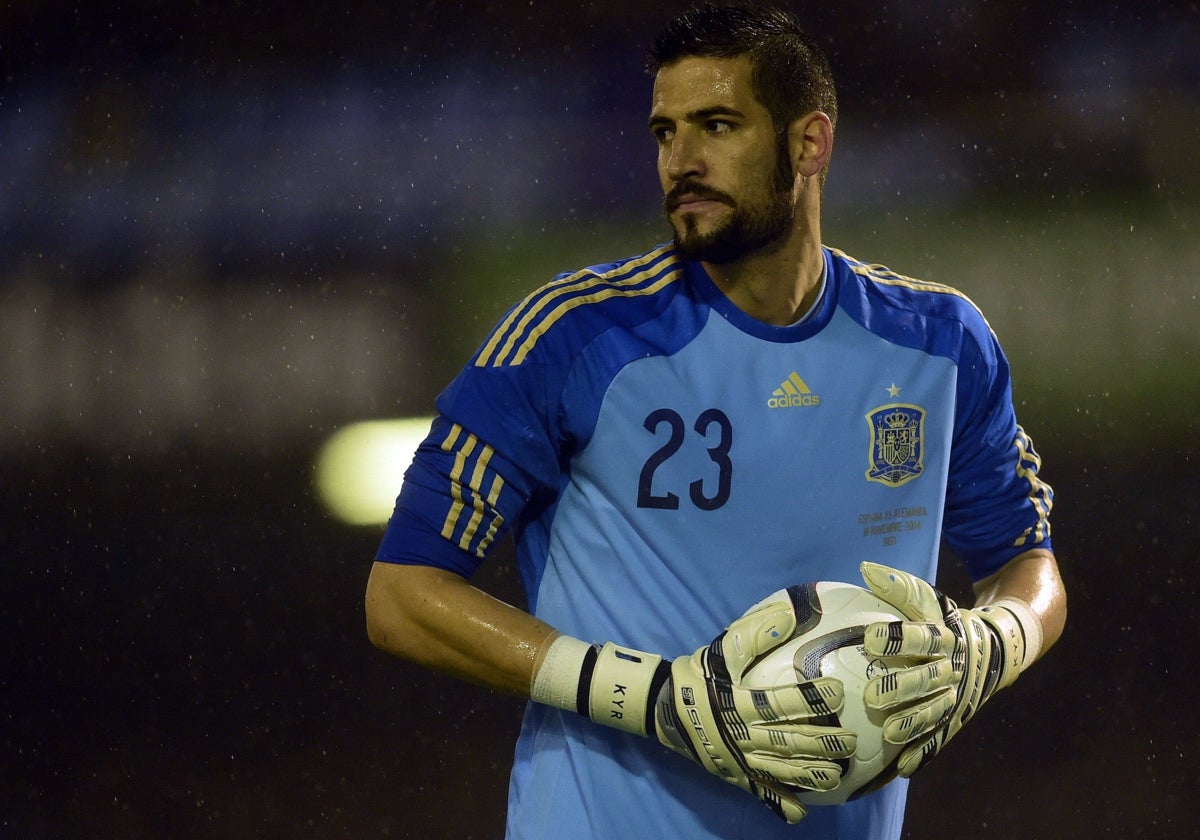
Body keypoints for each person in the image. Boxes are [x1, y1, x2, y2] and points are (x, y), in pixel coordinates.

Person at [364, 3, 1067, 838]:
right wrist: (656, 697)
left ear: (810, 143)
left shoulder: (941, 344)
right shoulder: (573, 336)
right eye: (665, 132)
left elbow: (1029, 568)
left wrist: (995, 644)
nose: (680, 162)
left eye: (717, 125)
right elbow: (400, 596)